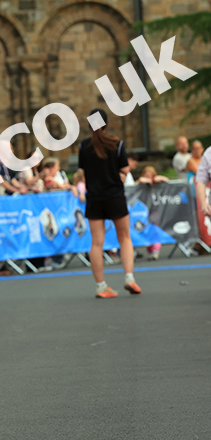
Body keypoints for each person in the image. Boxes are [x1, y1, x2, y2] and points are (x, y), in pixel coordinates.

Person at [78, 109, 140, 298]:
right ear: (106, 124)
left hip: (95, 197)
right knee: (125, 238)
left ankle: (101, 285)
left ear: (89, 125)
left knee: (97, 243)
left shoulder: (84, 146)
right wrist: (120, 174)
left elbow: (83, 172)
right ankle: (129, 278)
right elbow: (124, 169)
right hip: (114, 195)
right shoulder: (117, 144)